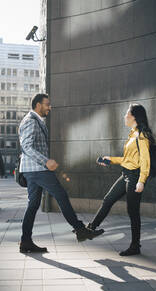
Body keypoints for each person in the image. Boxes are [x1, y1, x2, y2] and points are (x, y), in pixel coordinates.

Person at [18, 93, 104, 253]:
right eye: (47, 104)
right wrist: (46, 161)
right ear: (38, 105)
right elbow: (27, 147)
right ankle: (80, 230)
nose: (50, 107)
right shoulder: (30, 121)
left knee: (33, 205)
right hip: (38, 169)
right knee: (61, 195)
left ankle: (25, 241)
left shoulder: (36, 121)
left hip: (33, 170)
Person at [90, 103, 153, 256]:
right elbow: (128, 159)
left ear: (134, 117)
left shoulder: (141, 135)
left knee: (133, 212)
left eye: (127, 114)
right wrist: (110, 159)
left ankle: (135, 245)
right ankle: (90, 229)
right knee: (108, 199)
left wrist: (141, 180)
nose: (124, 116)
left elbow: (145, 160)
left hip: (135, 177)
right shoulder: (132, 134)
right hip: (126, 174)